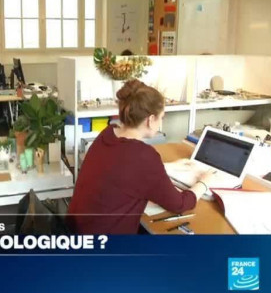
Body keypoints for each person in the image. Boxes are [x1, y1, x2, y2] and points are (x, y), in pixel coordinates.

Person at [67, 79, 216, 234]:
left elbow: (120, 170)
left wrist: (170, 167)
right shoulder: (143, 156)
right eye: (162, 117)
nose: (161, 122)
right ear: (150, 120)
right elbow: (179, 204)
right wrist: (204, 182)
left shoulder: (107, 134)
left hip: (77, 234)